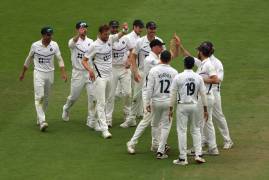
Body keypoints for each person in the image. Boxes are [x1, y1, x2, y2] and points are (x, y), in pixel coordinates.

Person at [82, 23, 129, 139]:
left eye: (108, 34)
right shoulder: (94, 45)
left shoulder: (110, 39)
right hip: (100, 78)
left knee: (108, 99)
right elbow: (84, 60)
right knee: (101, 102)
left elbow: (119, 34)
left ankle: (96, 122)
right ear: (99, 34)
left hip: (110, 76)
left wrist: (124, 29)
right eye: (105, 34)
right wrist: (90, 71)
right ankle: (105, 129)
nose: (107, 36)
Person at [19, 26, 67, 131]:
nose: (50, 37)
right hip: (38, 73)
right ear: (43, 35)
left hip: (50, 74)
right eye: (48, 35)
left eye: (51, 35)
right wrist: (23, 73)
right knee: (39, 97)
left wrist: (63, 72)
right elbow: (29, 59)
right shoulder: (35, 46)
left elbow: (59, 59)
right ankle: (42, 121)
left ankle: (40, 117)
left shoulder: (54, 45)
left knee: (46, 99)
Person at [121, 21, 165, 128]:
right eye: (150, 28)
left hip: (156, 74)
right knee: (136, 96)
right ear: (147, 29)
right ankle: (131, 119)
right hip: (142, 73)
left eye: (154, 28)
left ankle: (154, 119)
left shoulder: (160, 41)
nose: (152, 31)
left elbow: (164, 57)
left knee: (155, 97)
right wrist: (135, 72)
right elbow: (133, 56)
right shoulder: (140, 41)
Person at [179, 41, 220, 155]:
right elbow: (189, 57)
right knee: (207, 122)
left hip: (205, 97)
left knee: (199, 123)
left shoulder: (208, 65)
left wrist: (200, 79)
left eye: (198, 50)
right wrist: (180, 46)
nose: (197, 52)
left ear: (202, 52)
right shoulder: (204, 63)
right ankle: (213, 148)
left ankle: (199, 148)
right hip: (207, 97)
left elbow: (216, 80)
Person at [126, 39, 165, 154]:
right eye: (160, 46)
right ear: (154, 47)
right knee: (147, 119)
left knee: (158, 120)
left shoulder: (156, 58)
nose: (162, 48)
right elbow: (162, 63)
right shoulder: (149, 59)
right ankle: (131, 143)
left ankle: (155, 144)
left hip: (155, 93)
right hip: (148, 92)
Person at [169, 56, 208, 165]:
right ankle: (198, 154)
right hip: (195, 106)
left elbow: (172, 94)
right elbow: (203, 94)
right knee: (196, 130)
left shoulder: (178, 77)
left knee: (182, 131)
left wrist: (170, 108)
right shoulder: (198, 77)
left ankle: (183, 158)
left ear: (185, 64)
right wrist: (205, 109)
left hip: (182, 106)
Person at [62, 21, 97, 129]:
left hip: (89, 72)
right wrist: (78, 35)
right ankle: (66, 108)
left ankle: (91, 120)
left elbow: (93, 56)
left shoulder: (91, 42)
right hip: (78, 73)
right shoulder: (73, 42)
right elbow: (70, 44)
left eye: (85, 28)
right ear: (77, 29)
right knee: (74, 97)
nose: (84, 29)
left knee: (93, 97)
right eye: (82, 28)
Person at [145, 50, 178, 159]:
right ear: (170, 59)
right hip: (168, 102)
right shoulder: (174, 72)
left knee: (154, 124)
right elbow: (175, 91)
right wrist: (173, 105)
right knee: (165, 126)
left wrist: (147, 102)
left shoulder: (153, 71)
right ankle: (160, 150)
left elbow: (149, 88)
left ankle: (155, 145)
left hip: (156, 101)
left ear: (160, 58)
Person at [204, 41, 233, 149]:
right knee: (204, 115)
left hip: (214, 93)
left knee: (218, 116)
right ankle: (205, 140)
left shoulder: (217, 63)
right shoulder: (204, 61)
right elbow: (191, 59)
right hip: (205, 93)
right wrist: (180, 46)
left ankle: (228, 140)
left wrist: (203, 79)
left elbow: (219, 79)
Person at [105, 20, 133, 127]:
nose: (115, 29)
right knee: (110, 95)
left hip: (124, 69)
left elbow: (132, 50)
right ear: (109, 28)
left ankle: (127, 117)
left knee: (128, 93)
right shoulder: (108, 40)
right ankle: (108, 119)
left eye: (116, 27)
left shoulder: (126, 38)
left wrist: (129, 60)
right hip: (112, 69)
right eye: (113, 27)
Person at [115, 19, 144, 99]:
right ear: (134, 27)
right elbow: (126, 51)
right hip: (128, 67)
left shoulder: (139, 37)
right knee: (119, 93)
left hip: (135, 67)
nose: (141, 29)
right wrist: (128, 60)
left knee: (133, 91)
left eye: (142, 28)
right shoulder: (128, 37)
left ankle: (130, 110)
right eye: (139, 27)